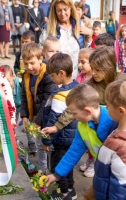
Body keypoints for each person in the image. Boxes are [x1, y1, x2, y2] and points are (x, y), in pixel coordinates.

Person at [43, 83, 115, 198]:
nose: (73, 117)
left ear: (87, 111)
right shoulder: (82, 126)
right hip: (103, 170)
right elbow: (74, 151)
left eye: (74, 113)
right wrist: (56, 175)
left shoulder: (114, 121)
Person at [93, 77, 126, 200]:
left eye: (108, 106)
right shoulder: (123, 128)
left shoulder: (124, 149)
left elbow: (121, 189)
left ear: (121, 111)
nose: (106, 108)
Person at [42, 53, 78, 200]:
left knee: (57, 166)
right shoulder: (77, 87)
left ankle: (63, 193)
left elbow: (53, 121)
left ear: (61, 73)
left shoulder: (59, 96)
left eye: (52, 75)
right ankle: (71, 189)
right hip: (72, 138)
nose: (51, 78)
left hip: (60, 139)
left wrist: (46, 141)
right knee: (68, 164)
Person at [20, 42, 58, 172]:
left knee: (48, 145)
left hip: (47, 117)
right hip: (36, 116)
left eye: (32, 63)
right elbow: (24, 97)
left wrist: (37, 121)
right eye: (26, 64)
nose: (29, 67)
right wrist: (24, 115)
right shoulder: (25, 76)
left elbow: (47, 102)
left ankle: (54, 171)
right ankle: (43, 170)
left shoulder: (48, 76)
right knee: (39, 145)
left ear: (40, 59)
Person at [39, 0, 80, 79]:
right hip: (55, 81)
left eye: (65, 9)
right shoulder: (48, 30)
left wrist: (89, 35)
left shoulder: (78, 27)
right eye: (59, 10)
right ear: (55, 11)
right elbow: (40, 53)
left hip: (75, 80)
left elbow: (86, 52)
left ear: (71, 8)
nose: (62, 13)